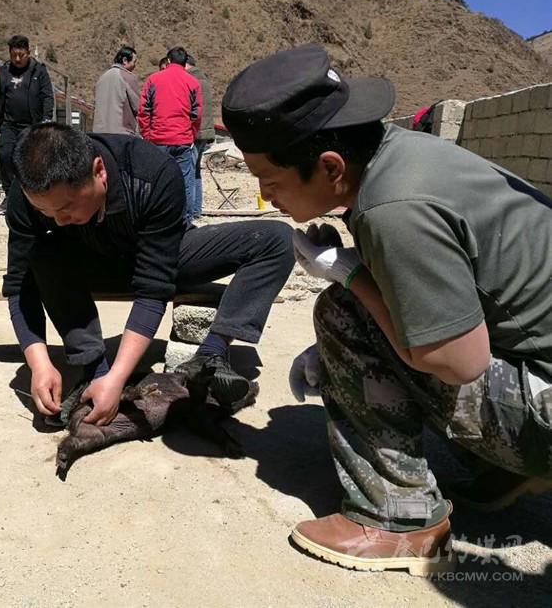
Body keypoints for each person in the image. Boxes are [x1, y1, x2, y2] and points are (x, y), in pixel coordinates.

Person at [222, 43, 552, 575]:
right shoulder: (400, 155)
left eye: (271, 181)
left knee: (341, 312)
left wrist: (352, 279)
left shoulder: (393, 206)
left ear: (330, 166)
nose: (267, 195)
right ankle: (507, 465)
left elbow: (457, 362)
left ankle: (401, 518)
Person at [3, 122, 294, 428]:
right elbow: (19, 284)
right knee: (44, 253)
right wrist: (39, 364)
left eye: (66, 207)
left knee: (277, 240)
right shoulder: (29, 195)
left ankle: (210, 354)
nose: (59, 221)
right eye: (47, 213)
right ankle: (93, 372)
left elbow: (154, 286)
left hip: (161, 258)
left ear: (99, 171)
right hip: (92, 264)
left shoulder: (153, 172)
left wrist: (119, 378)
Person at [0, 35, 54, 215]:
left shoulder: (39, 71)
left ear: (28, 53)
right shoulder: (5, 71)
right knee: (6, 155)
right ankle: (9, 196)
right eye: (13, 55)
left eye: (21, 55)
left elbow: (47, 96)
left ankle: (31, 199)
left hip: (32, 125)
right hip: (9, 124)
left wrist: (47, 118)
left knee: (29, 161)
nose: (17, 59)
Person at [137, 47, 202, 222]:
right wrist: (191, 133)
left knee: (157, 182)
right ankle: (185, 221)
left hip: (158, 139)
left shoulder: (153, 79)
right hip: (183, 139)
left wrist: (147, 134)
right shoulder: (192, 82)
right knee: (185, 181)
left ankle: (158, 219)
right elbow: (196, 114)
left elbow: (144, 110)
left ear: (168, 61)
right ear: (185, 62)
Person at [185, 54, 215, 219]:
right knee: (196, 172)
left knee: (189, 171)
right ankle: (197, 210)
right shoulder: (203, 79)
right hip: (205, 132)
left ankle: (189, 211)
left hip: (196, 132)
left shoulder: (192, 80)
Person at [92, 46, 141, 135]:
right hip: (121, 133)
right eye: (134, 62)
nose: (135, 65)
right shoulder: (128, 77)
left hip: (99, 132)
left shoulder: (101, 78)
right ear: (125, 60)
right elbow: (138, 107)